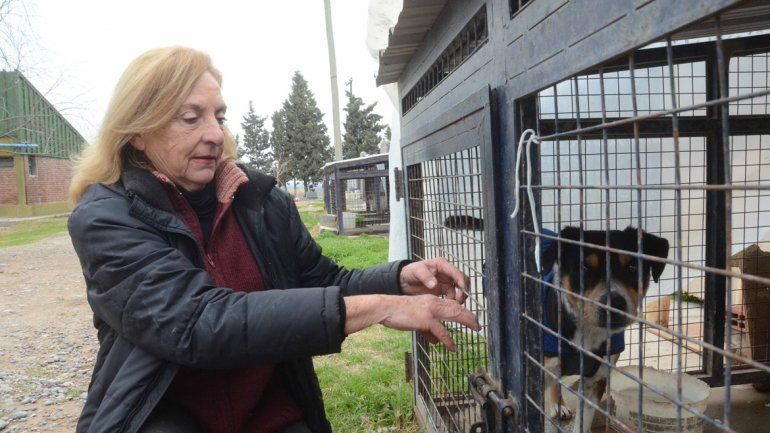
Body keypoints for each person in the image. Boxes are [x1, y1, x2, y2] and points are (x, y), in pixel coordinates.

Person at [67, 46, 480, 433]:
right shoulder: (106, 217)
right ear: (138, 132)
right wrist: (378, 308)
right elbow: (198, 323)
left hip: (269, 412)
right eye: (190, 118)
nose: (214, 133)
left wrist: (398, 280)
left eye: (219, 116)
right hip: (165, 415)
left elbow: (319, 280)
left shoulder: (259, 201)